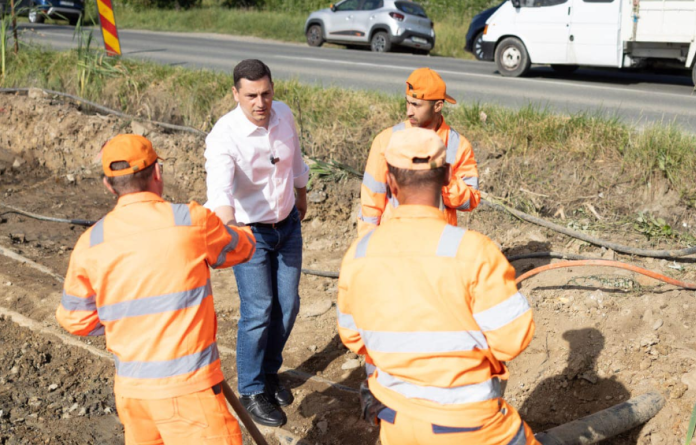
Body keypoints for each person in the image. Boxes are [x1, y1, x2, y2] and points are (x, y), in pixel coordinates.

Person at [337, 127, 538, 444]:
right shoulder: (476, 252)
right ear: (446, 176)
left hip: (398, 424)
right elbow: (513, 340)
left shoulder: (359, 254)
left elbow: (352, 335)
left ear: (390, 182)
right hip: (470, 426)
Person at [56, 134, 255, 445]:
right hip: (190, 390)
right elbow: (241, 248)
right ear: (157, 173)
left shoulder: (90, 243)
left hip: (133, 395)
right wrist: (243, 230)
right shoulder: (191, 221)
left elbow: (75, 319)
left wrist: (127, 321)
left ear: (109, 186)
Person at [203, 59, 310, 427]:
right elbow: (219, 192)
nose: (260, 103)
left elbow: (295, 159)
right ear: (236, 94)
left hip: (288, 226)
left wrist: (301, 193)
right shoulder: (224, 135)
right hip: (250, 233)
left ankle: (267, 373)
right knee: (259, 309)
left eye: (265, 93)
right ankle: (250, 390)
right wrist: (231, 230)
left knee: (288, 305)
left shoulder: (284, 115)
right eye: (251, 96)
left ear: (272, 89)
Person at [358, 67, 480, 237]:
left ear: (438, 106)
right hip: (395, 241)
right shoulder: (386, 140)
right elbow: (371, 201)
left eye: (416, 105)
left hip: (438, 242)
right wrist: (368, 242)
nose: (409, 111)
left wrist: (442, 178)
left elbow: (470, 201)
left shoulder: (458, 145)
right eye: (407, 102)